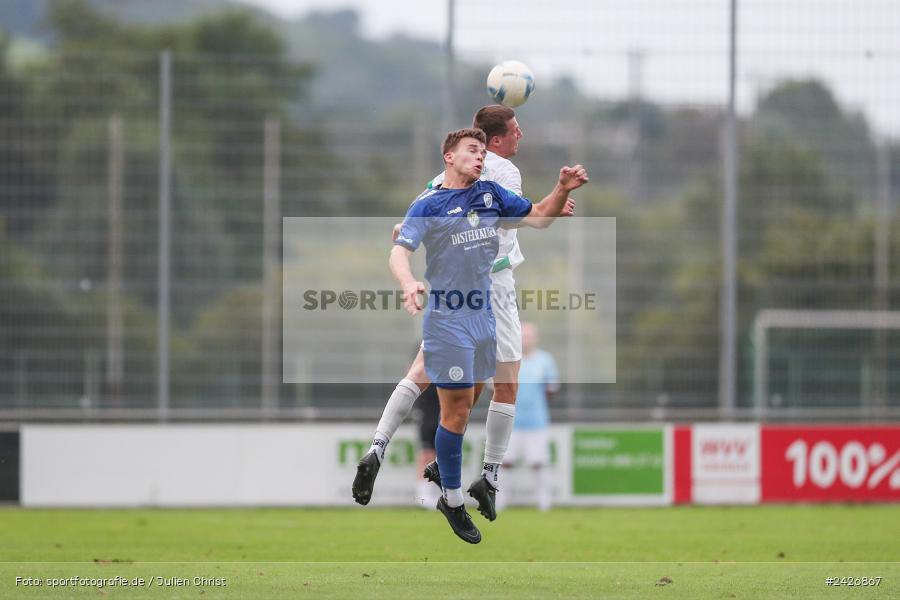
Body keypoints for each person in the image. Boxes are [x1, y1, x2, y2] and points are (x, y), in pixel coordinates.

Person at [352, 106, 574, 521]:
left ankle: (381, 446)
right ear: (493, 142)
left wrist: (556, 197)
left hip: (459, 292)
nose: (520, 134)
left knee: (435, 379)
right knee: (504, 384)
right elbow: (516, 218)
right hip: (490, 286)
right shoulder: (498, 174)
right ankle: (485, 480)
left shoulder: (441, 184)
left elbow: (433, 208)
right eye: (514, 129)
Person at [496, 322, 559, 512]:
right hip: (510, 422)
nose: (526, 339)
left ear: (536, 338)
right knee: (505, 462)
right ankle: (499, 503)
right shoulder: (507, 359)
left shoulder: (546, 360)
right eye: (523, 335)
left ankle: (544, 503)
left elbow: (551, 390)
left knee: (538, 462)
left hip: (536, 422)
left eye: (529, 336)